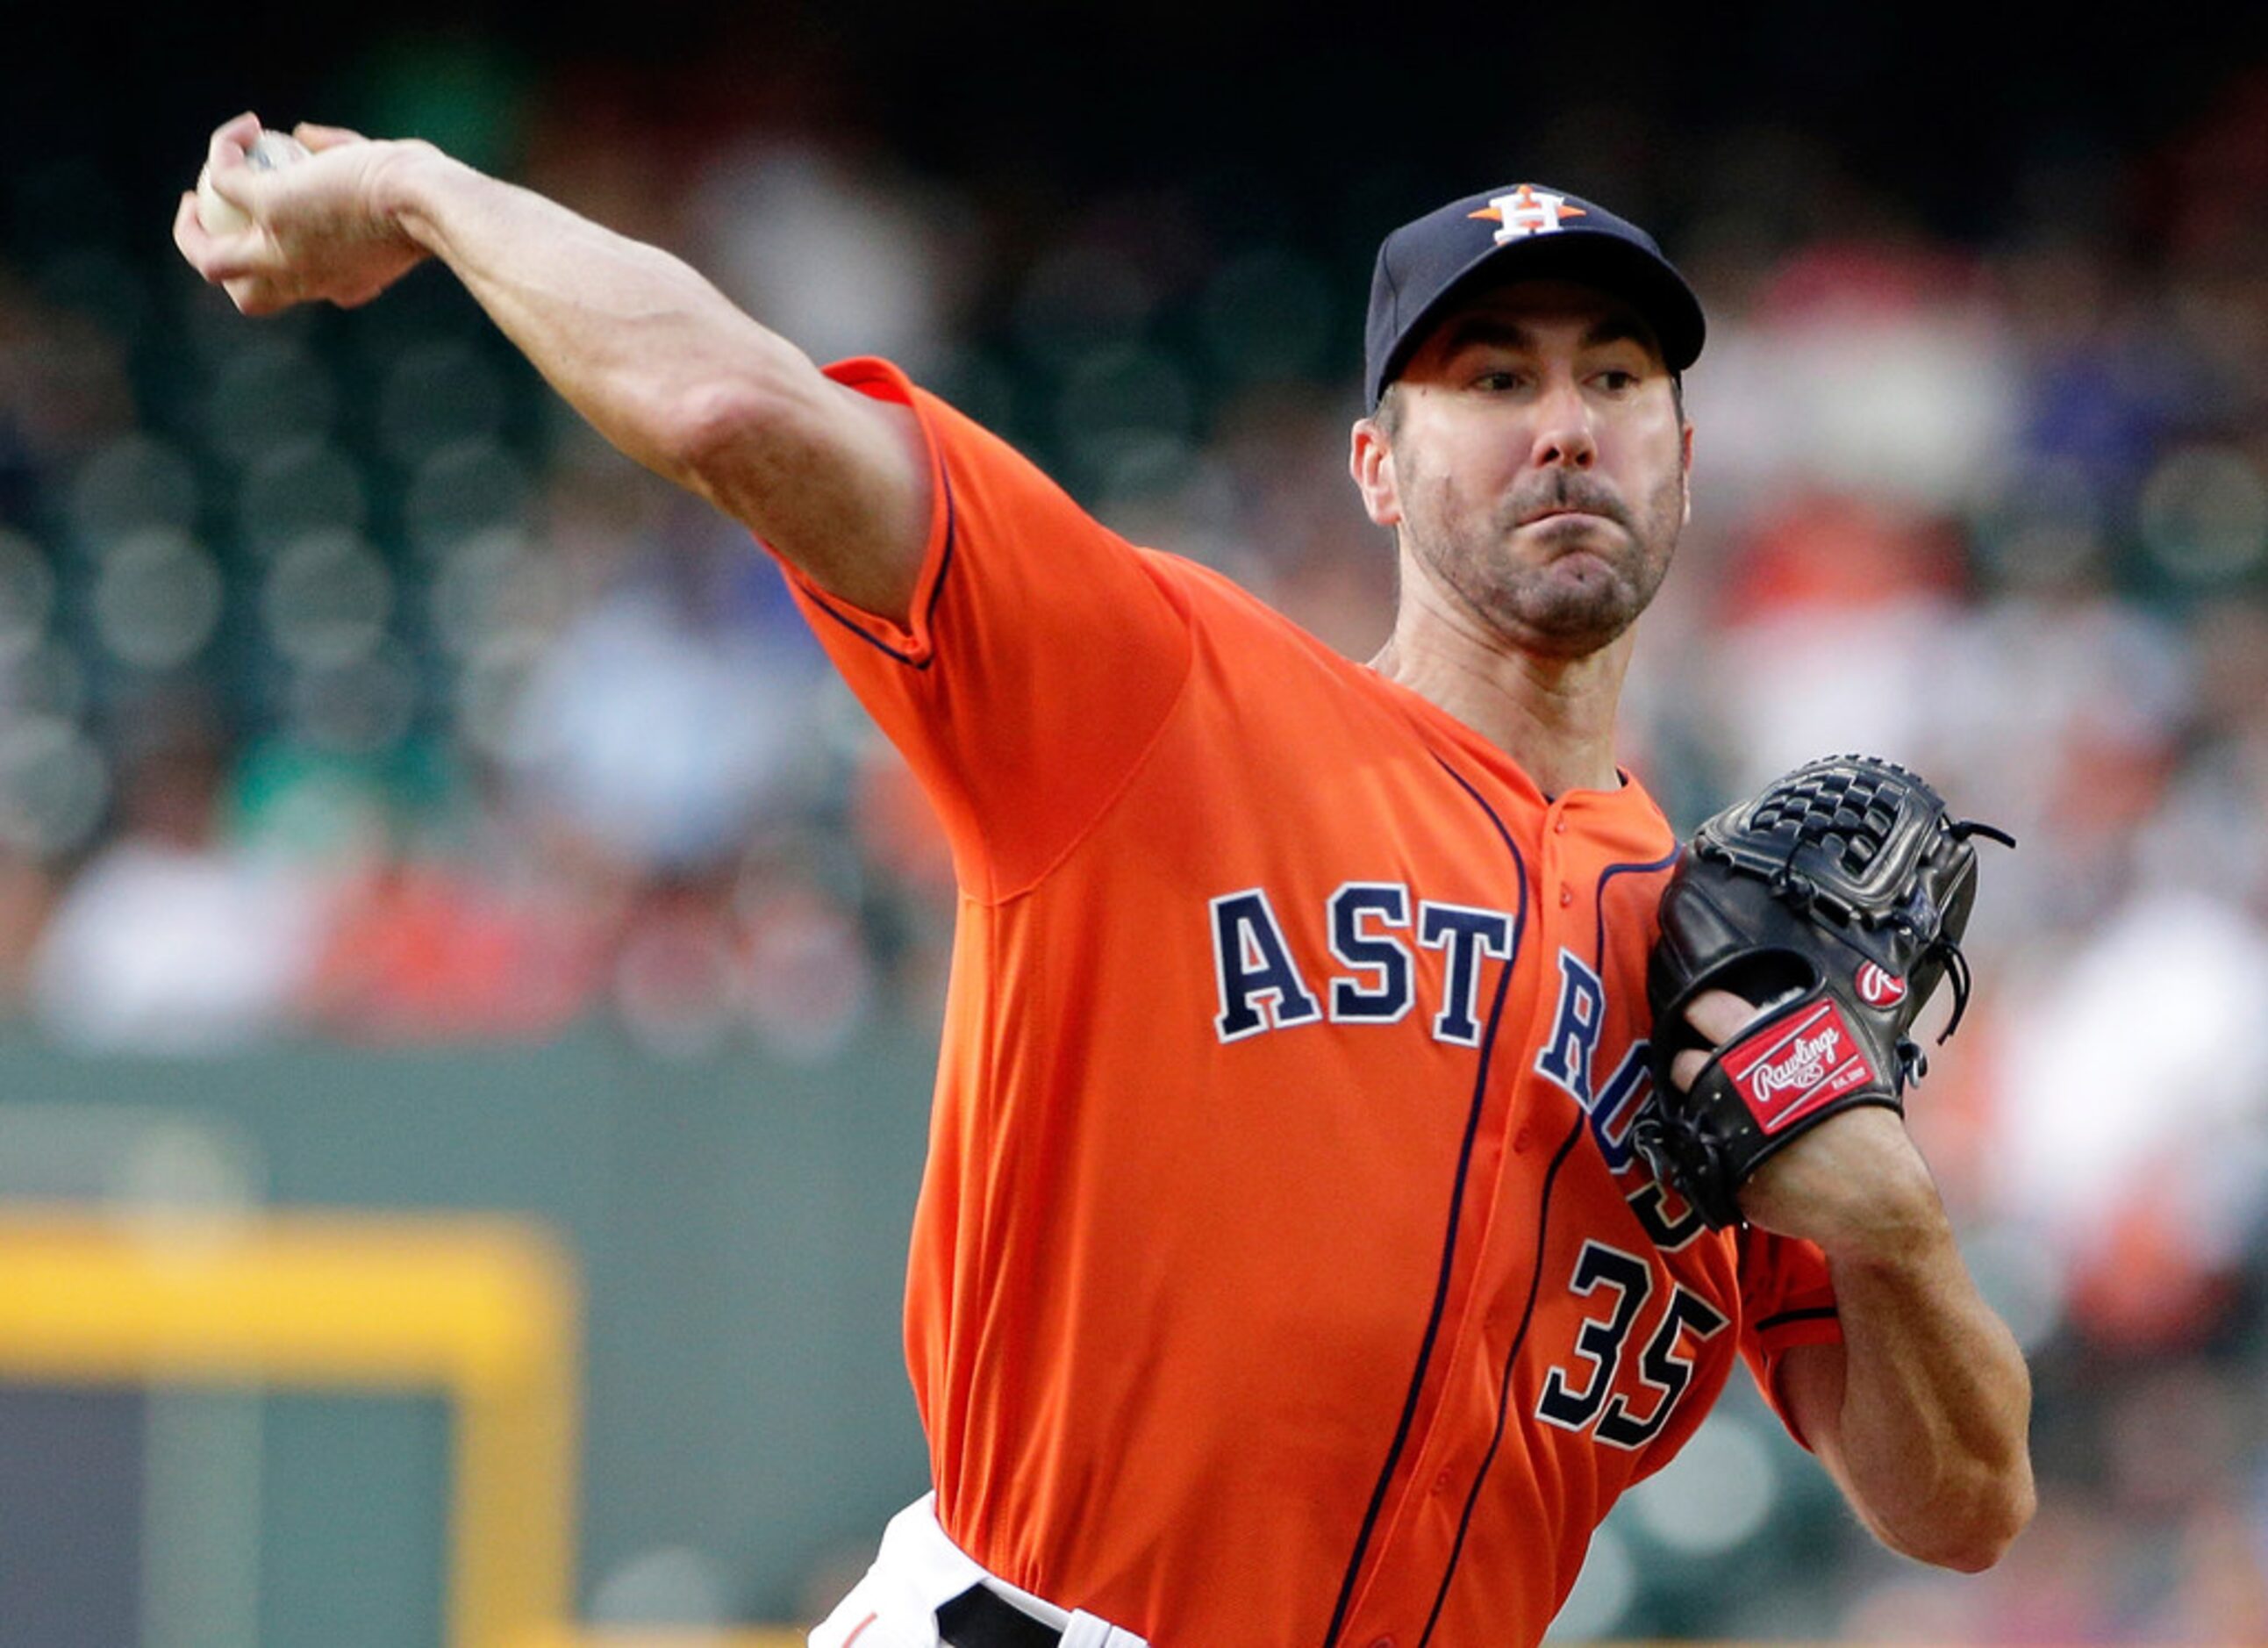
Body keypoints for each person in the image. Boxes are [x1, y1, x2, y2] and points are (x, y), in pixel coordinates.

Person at [176, 117, 2035, 1647]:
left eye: (1616, 377)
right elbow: (737, 410)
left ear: (1687, 464)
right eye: (1494, 376)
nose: (1565, 424)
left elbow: (1960, 1510)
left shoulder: (1732, 980)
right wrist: (421, 191)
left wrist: (1900, 1231)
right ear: (1378, 468)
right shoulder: (1160, 689)